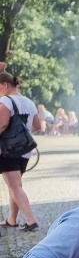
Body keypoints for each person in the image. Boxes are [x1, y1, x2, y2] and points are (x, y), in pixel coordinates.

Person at [0, 72, 41, 231]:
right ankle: (12, 219)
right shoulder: (29, 102)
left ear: (5, 85)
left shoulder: (5, 101)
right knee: (15, 185)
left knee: (15, 186)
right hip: (24, 150)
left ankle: (31, 221)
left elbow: (2, 125)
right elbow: (37, 126)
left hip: (7, 150)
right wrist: (22, 135)